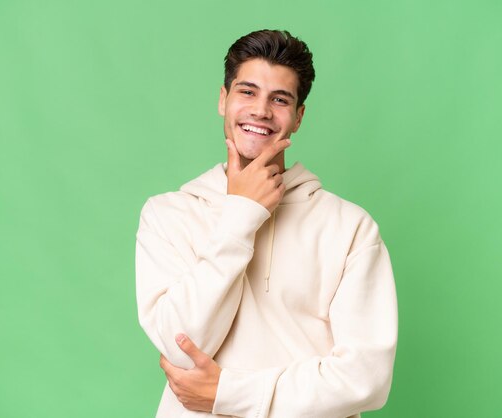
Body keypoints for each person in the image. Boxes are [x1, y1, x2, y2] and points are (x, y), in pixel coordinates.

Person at [135, 29, 398, 418]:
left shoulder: (350, 227)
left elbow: (366, 379)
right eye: (247, 92)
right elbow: (181, 348)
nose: (260, 110)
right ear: (223, 100)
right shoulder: (167, 214)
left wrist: (229, 393)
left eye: (280, 99)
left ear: (298, 117)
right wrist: (241, 215)